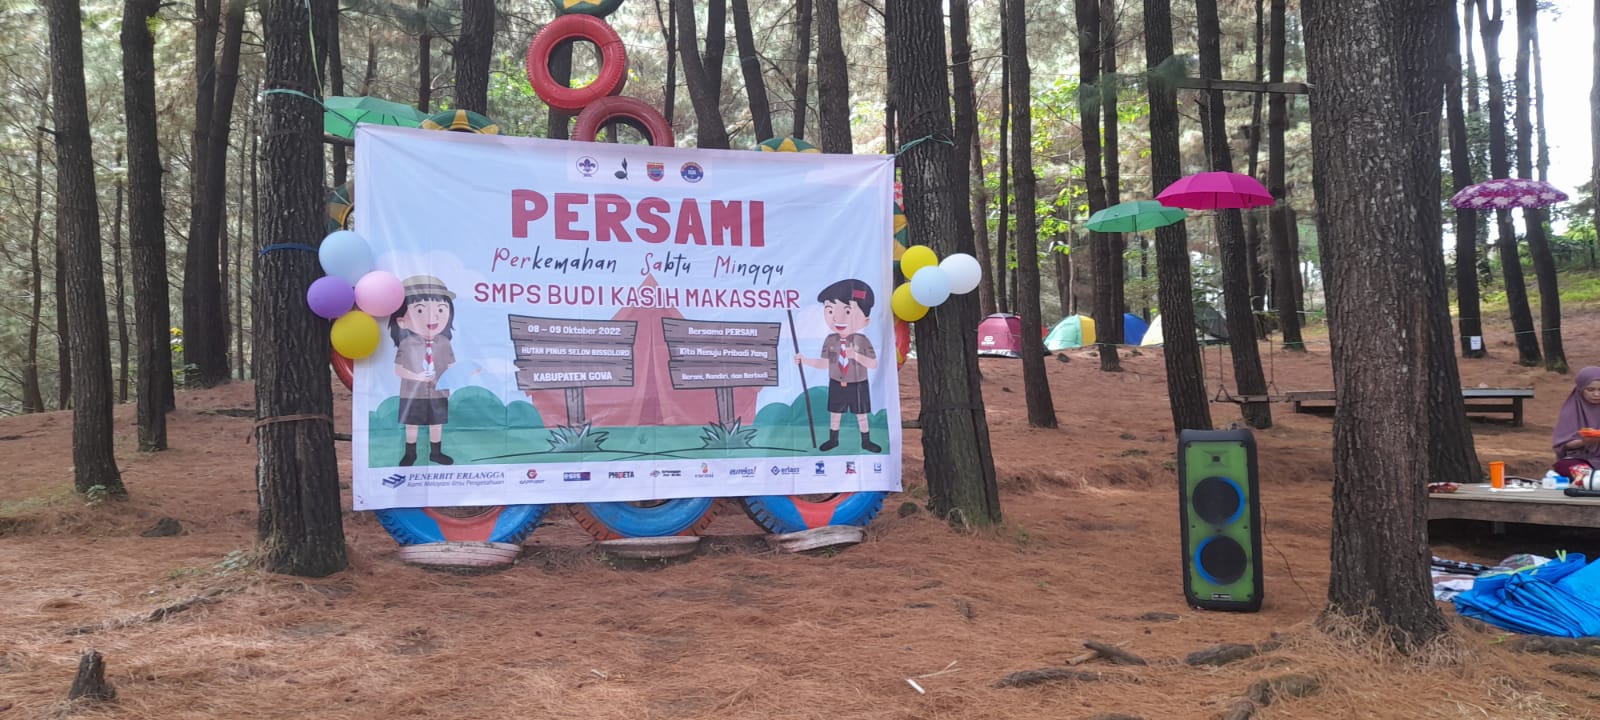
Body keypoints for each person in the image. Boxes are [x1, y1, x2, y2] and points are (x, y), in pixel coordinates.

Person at [793, 279, 883, 453]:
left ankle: (866, 441)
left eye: (847, 311)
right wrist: (804, 360)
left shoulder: (862, 341)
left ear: (866, 320)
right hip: (836, 383)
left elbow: (873, 363)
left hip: (858, 384)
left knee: (861, 415)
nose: (837, 318)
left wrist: (855, 356)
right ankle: (833, 440)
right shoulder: (830, 340)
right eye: (830, 310)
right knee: (835, 415)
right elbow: (825, 363)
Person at [390, 275, 457, 466]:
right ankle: (410, 453)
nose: (432, 318)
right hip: (412, 393)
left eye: (440, 309)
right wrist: (417, 377)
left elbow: (451, 365)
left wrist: (452, 377)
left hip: (438, 392)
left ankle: (436, 453)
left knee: (436, 423)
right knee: (412, 424)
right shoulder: (407, 344)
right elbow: (398, 369)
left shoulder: (444, 343)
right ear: (402, 321)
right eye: (420, 310)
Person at [1551, 366, 1600, 474]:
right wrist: (1584, 442)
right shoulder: (1571, 411)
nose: (1596, 394)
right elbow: (1563, 445)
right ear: (1581, 389)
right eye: (1590, 390)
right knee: (1565, 466)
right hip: (1581, 458)